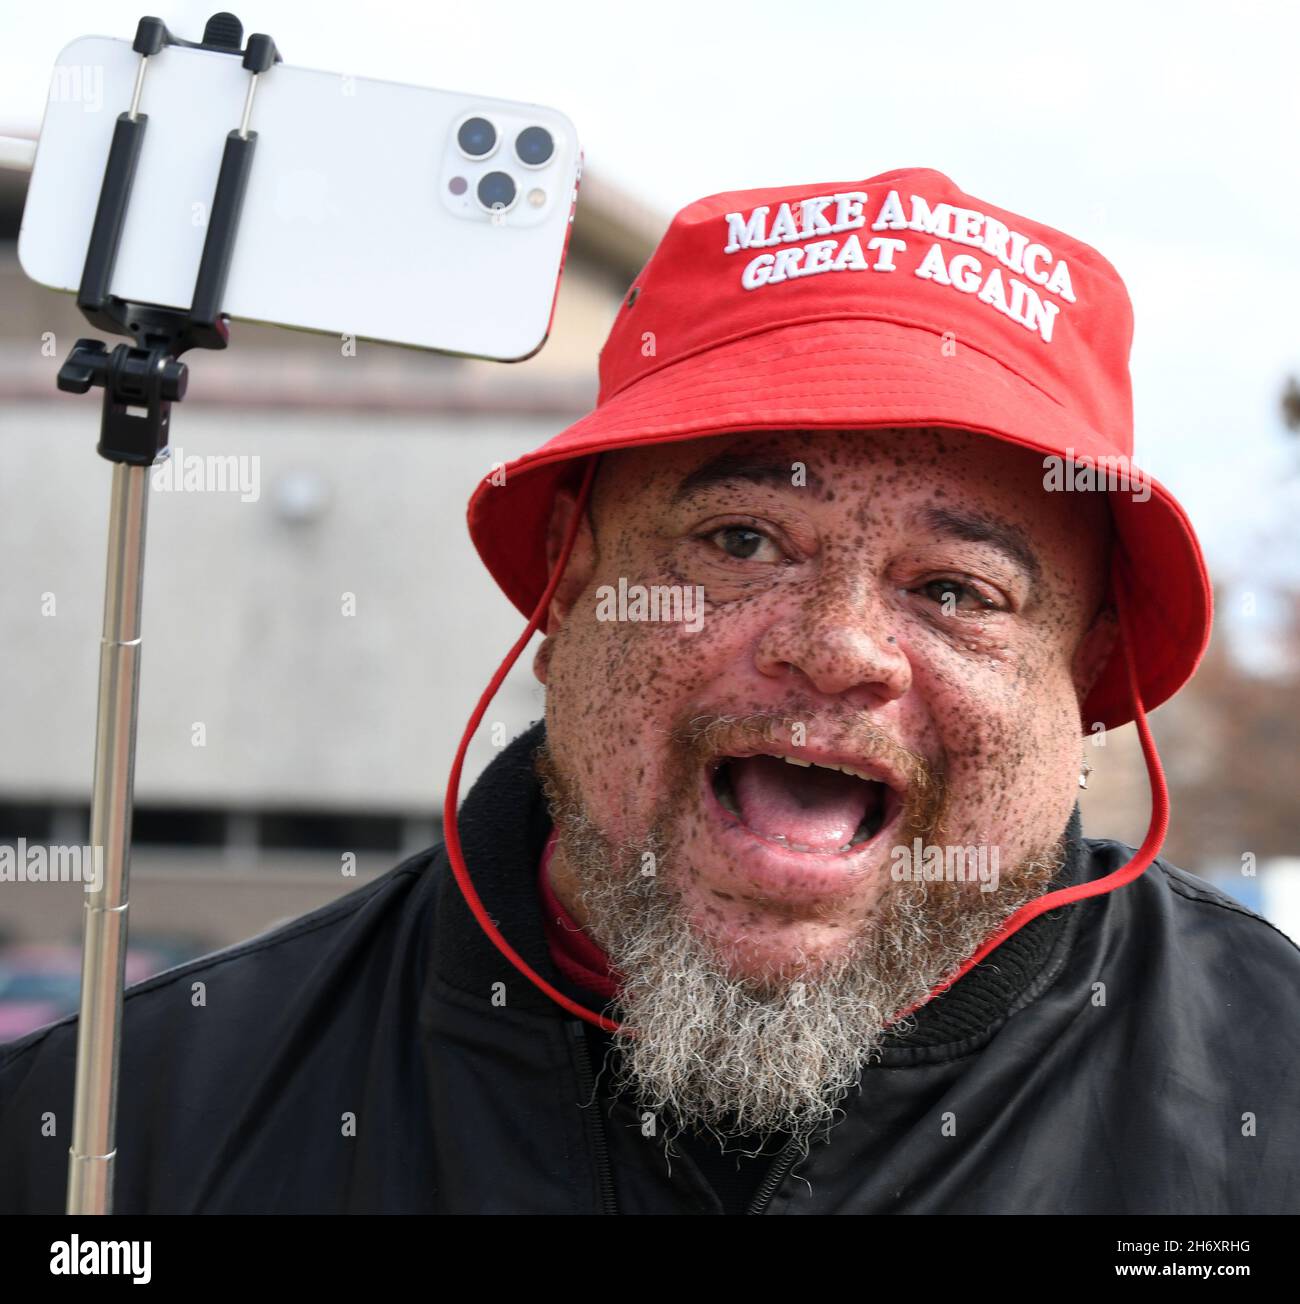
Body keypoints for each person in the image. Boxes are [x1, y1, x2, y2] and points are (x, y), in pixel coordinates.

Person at [3, 166, 1297, 1215]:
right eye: (739, 541)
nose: (838, 646)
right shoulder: (119, 1133)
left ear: (1086, 677)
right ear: (565, 589)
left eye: (956, 590)